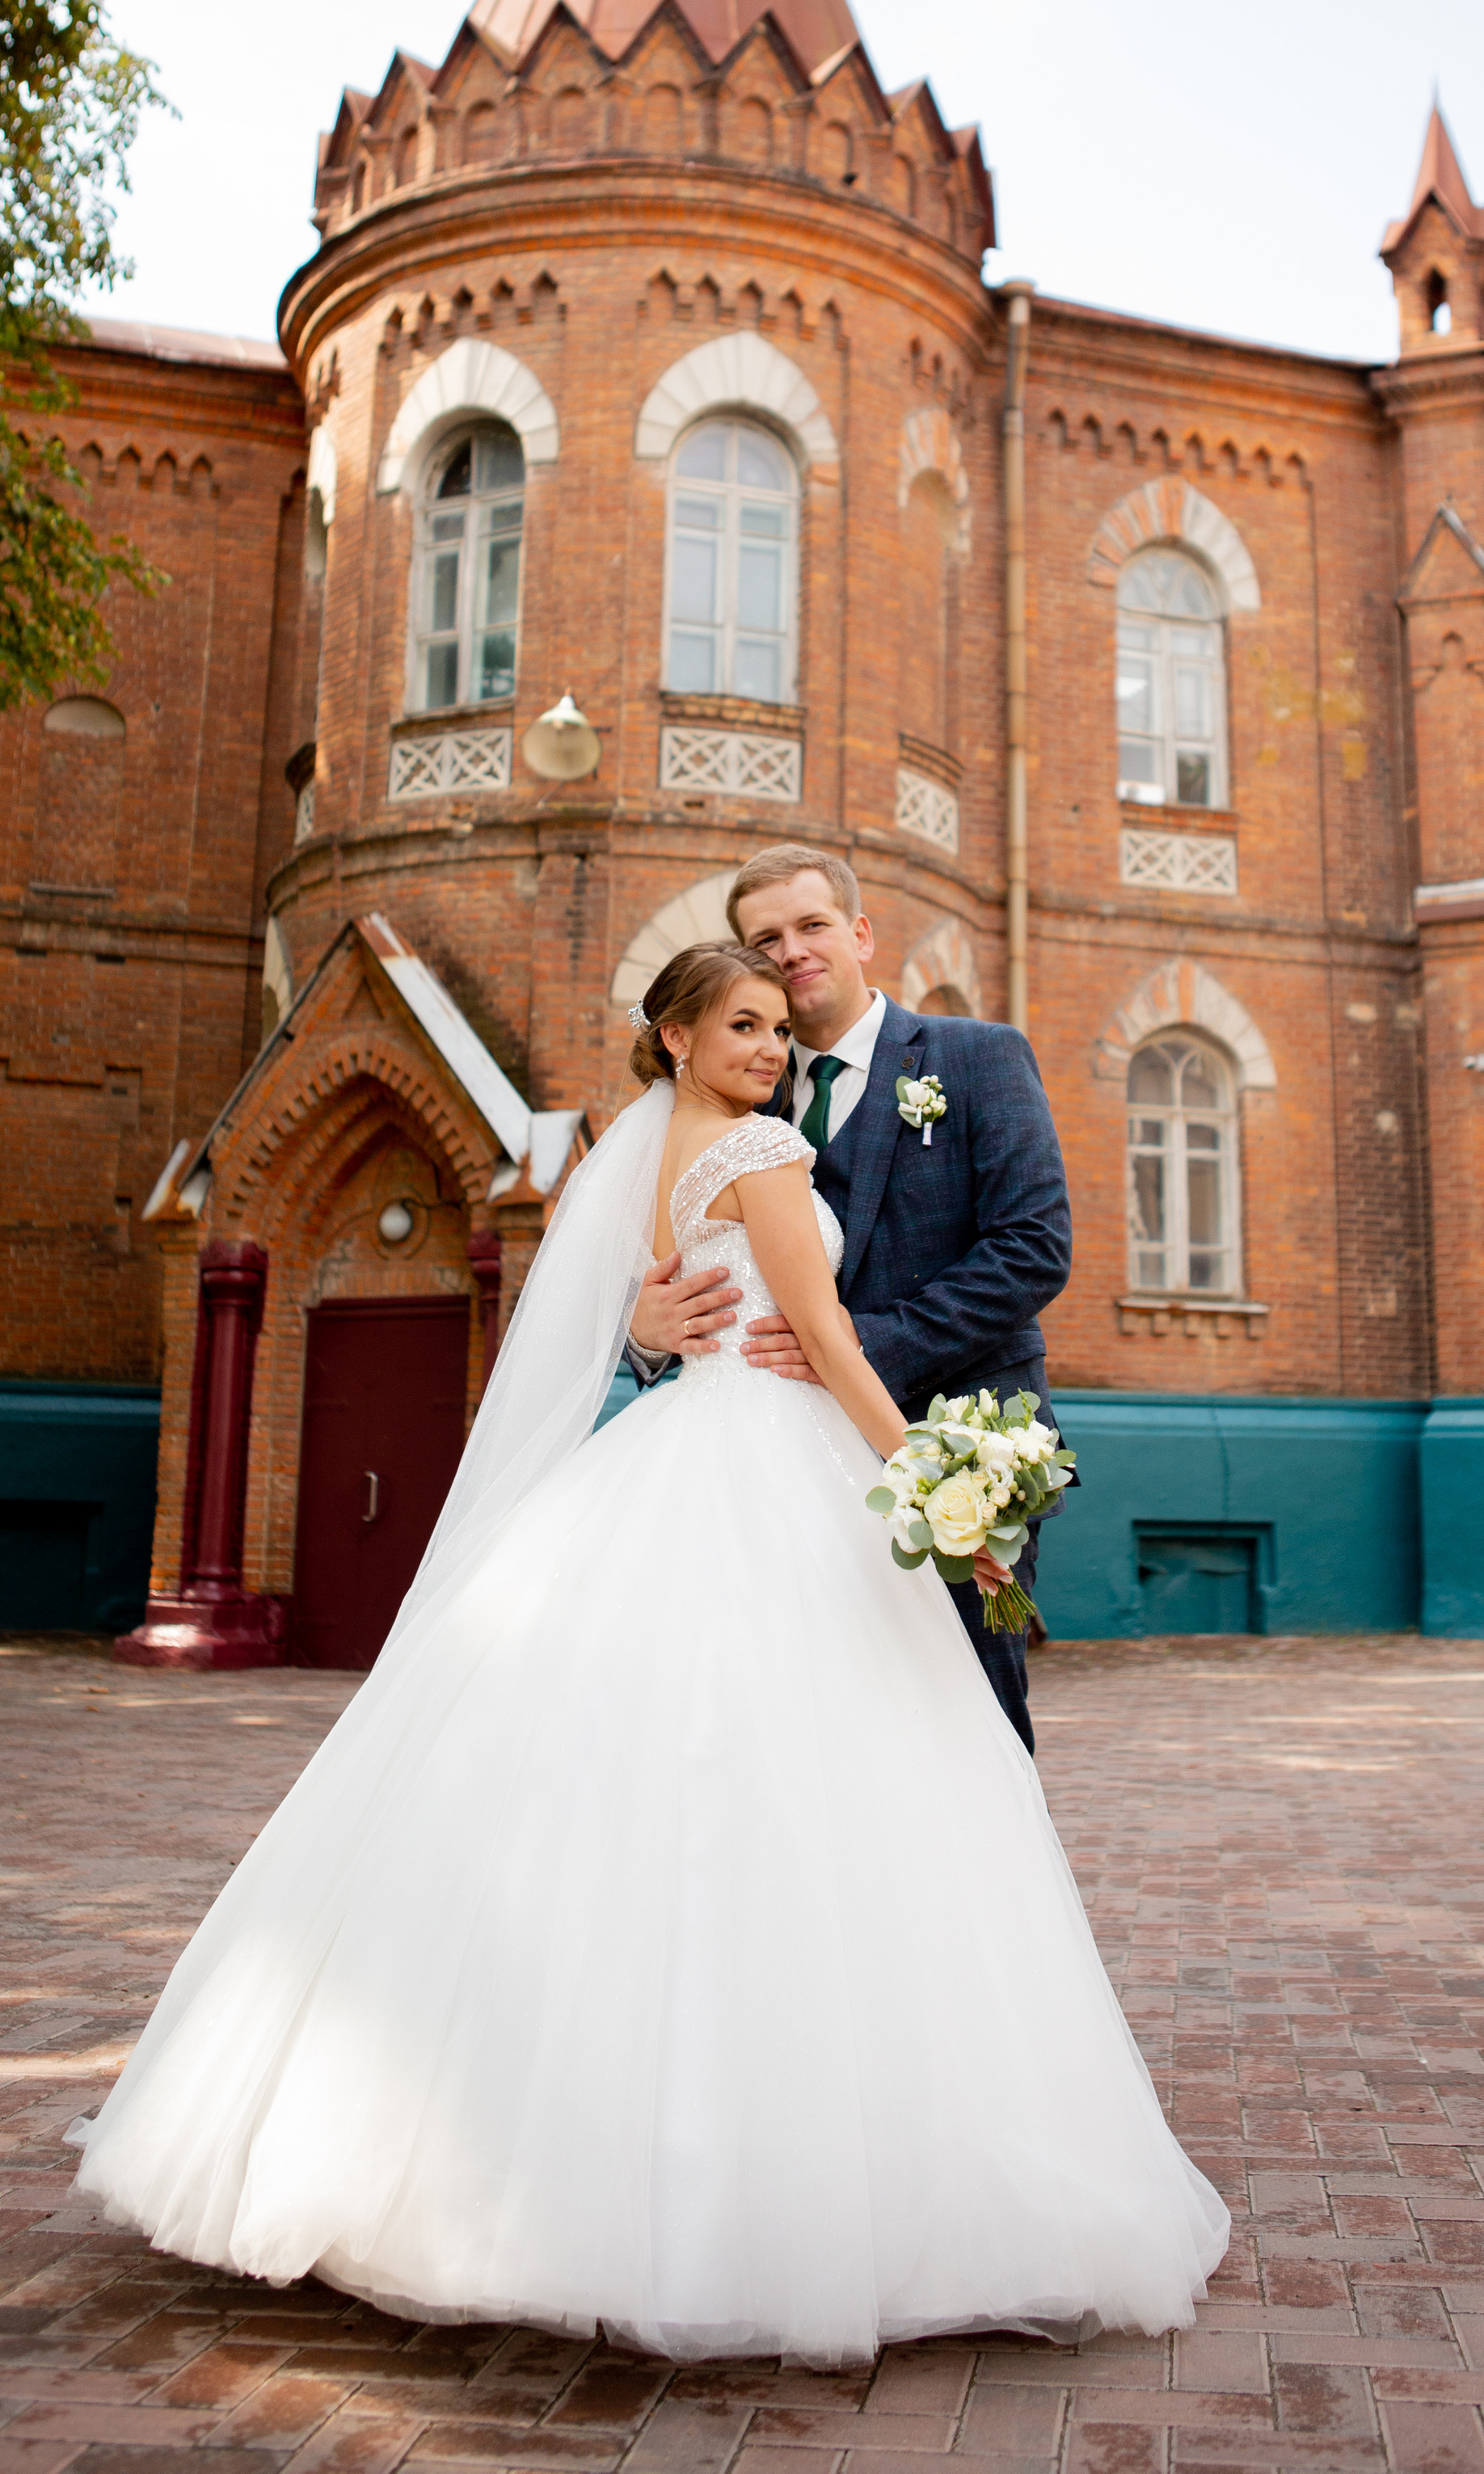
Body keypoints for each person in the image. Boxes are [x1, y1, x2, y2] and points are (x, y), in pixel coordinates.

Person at [70, 944, 1228, 2362]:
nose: (771, 1045)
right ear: (675, 1037)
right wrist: (941, 1495)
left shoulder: (644, 1148)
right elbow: (832, 1345)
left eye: (775, 1026)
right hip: (774, 1467)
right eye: (738, 1025)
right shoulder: (755, 1150)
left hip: (678, 1456)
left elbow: (656, 1326)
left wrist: (651, 1323)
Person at [630, 845, 1070, 1750]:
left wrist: (859, 1346)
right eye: (766, 937)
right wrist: (647, 1328)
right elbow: (676, 1262)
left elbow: (1033, 1249)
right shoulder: (739, 1093)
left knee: (967, 1720)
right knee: (803, 1729)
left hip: (952, 1445)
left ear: (860, 933)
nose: (791, 950)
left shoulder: (976, 1057)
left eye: (812, 924)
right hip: (773, 1470)